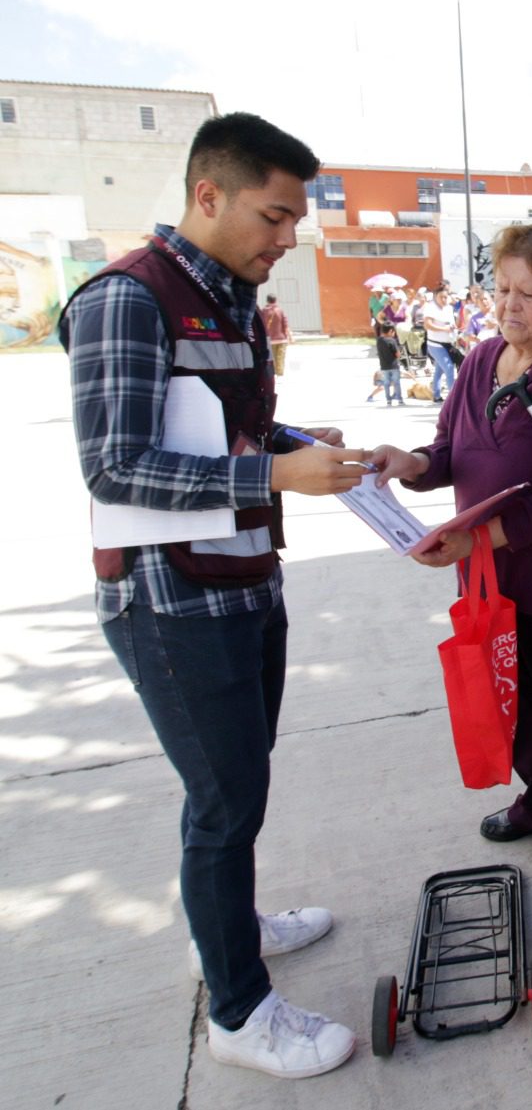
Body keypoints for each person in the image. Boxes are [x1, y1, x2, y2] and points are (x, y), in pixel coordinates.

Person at [63, 113, 370, 1080]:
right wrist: (272, 481)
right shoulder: (129, 298)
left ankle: (233, 924)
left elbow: (226, 432)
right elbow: (115, 468)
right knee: (223, 798)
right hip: (169, 603)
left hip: (241, 580)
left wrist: (293, 448)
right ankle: (237, 1010)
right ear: (209, 195)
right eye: (275, 217)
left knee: (244, 780)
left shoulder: (230, 299)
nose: (287, 240)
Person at [371, 223, 532, 923]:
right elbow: (452, 449)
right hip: (498, 579)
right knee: (522, 708)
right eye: (504, 289)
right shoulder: (485, 357)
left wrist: (469, 539)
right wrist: (410, 465)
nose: (510, 307)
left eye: (531, 294)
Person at [421, 285, 458, 402]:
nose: (444, 299)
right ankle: (453, 398)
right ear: (435, 297)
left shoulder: (449, 308)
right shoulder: (430, 307)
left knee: (439, 369)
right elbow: (427, 325)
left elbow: (450, 323)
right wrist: (444, 329)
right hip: (435, 344)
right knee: (449, 368)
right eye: (441, 297)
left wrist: (452, 328)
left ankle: (436, 395)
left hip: (448, 342)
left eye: (446, 297)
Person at [375, 321, 405, 406]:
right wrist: (400, 352)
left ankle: (388, 400)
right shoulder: (392, 341)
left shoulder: (379, 340)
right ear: (391, 331)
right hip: (394, 366)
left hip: (384, 366)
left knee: (386, 383)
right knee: (396, 383)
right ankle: (399, 400)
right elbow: (398, 354)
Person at [262, 292, 291, 376]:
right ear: (276, 300)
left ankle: (273, 374)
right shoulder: (280, 310)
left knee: (272, 358)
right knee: (281, 357)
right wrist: (290, 336)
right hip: (281, 339)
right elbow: (285, 324)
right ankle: (280, 374)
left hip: (270, 339)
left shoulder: (263, 311)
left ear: (267, 301)